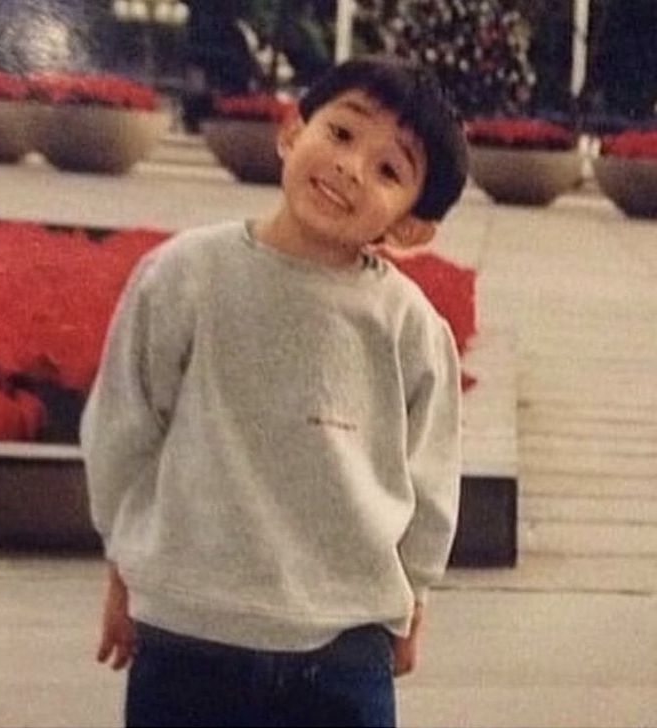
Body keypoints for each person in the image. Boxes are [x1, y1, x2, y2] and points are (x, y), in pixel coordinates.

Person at [80, 55, 469, 728]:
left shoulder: (409, 327)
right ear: (293, 131)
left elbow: (430, 478)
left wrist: (416, 598)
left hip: (343, 647)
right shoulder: (185, 275)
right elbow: (125, 427)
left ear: (410, 227)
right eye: (342, 134)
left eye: (389, 169)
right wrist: (124, 566)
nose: (351, 166)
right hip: (190, 633)